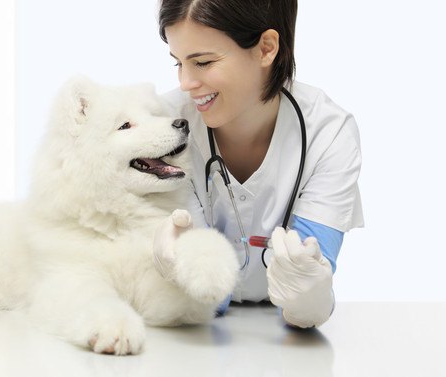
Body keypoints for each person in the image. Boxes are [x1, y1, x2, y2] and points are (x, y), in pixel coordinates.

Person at [156, 0, 364, 328]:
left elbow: (312, 284)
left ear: (266, 48)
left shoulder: (328, 132)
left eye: (203, 62)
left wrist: (308, 296)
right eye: (178, 63)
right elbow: (209, 291)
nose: (185, 82)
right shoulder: (163, 128)